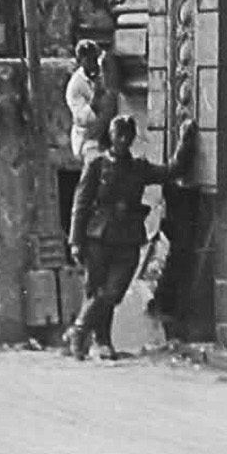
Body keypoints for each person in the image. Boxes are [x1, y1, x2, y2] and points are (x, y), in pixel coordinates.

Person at [64, 114, 196, 361]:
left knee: (114, 291)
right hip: (98, 236)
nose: (123, 140)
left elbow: (171, 170)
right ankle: (101, 342)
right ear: (111, 136)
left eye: (127, 135)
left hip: (128, 236)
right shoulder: (97, 165)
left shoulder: (138, 168)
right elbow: (80, 204)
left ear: (133, 138)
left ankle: (79, 328)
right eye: (118, 135)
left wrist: (185, 142)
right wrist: (75, 241)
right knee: (96, 289)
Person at [65, 40, 115, 165]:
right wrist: (96, 98)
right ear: (81, 61)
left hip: (108, 134)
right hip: (88, 139)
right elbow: (82, 120)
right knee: (96, 162)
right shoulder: (75, 86)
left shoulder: (104, 72)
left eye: (95, 58)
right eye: (88, 60)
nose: (93, 64)